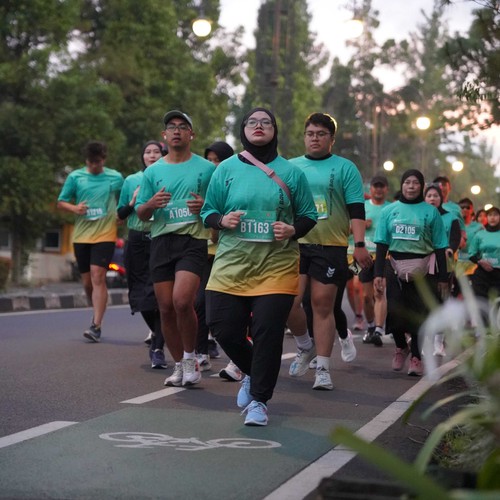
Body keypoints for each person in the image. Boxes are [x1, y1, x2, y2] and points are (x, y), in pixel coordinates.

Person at [201, 107, 317, 426]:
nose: (259, 126)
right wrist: (222, 220)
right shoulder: (225, 169)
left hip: (276, 266)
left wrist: (292, 229)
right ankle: (252, 372)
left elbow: (308, 216)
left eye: (266, 122)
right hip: (231, 264)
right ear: (243, 130)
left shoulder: (291, 173)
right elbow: (208, 211)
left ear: (274, 130)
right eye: (252, 122)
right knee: (221, 326)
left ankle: (259, 401)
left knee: (267, 332)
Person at [286, 112, 372, 391]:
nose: (315, 138)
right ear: (304, 137)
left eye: (321, 134)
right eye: (310, 134)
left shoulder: (345, 168)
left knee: (322, 305)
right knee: (288, 302)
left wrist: (359, 245)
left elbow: (356, 209)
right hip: (295, 244)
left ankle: (322, 369)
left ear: (331, 139)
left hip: (331, 245)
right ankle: (305, 345)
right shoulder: (290, 167)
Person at [136, 110, 215, 387]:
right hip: (161, 242)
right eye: (172, 127)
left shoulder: (207, 169)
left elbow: (220, 204)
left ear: (191, 134)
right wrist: (151, 204)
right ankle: (180, 364)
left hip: (192, 241)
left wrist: (205, 205)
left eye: (183, 127)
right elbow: (141, 213)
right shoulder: (153, 172)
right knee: (166, 308)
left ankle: (192, 359)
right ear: (164, 135)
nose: (177, 131)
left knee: (182, 301)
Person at [374, 169, 449, 376]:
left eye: (415, 183)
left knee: (417, 314)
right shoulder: (389, 211)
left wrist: (443, 277)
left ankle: (416, 357)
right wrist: (378, 274)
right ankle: (401, 346)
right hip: (394, 266)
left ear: (422, 186)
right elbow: (381, 244)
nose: (411, 186)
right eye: (407, 182)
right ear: (402, 185)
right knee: (394, 311)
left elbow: (440, 246)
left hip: (423, 269)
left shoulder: (431, 212)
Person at [57, 141, 124, 342]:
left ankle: (96, 325)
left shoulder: (115, 177)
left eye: (98, 162)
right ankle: (96, 309)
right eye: (91, 162)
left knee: (98, 276)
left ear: (104, 159)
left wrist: (121, 214)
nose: (94, 165)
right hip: (81, 236)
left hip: (105, 234)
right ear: (86, 160)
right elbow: (61, 202)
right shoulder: (75, 177)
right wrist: (75, 209)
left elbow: (124, 198)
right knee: (87, 283)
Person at [117, 140, 167, 369]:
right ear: (142, 157)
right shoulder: (131, 180)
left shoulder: (168, 177)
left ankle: (158, 347)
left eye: (157, 152)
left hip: (161, 238)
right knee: (141, 297)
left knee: (162, 296)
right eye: (148, 152)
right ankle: (157, 335)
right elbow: (120, 215)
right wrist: (133, 202)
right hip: (137, 240)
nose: (152, 155)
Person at [194, 141, 235, 373]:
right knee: (199, 302)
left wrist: (211, 214)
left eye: (217, 160)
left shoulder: (234, 185)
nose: (212, 165)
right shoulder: (200, 186)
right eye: (209, 160)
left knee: (230, 308)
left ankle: (237, 359)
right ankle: (201, 353)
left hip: (230, 254)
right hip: (204, 252)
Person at [424, 183, 461, 356]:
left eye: (435, 196)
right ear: (424, 198)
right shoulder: (420, 215)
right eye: (429, 195)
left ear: (441, 198)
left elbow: (455, 238)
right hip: (424, 263)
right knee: (425, 300)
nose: (432, 199)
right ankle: (425, 341)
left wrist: (450, 249)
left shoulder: (451, 217)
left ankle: (439, 342)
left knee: (442, 300)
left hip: (444, 263)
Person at [361, 174, 391, 346]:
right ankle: (371, 326)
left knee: (379, 292)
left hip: (384, 256)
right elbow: (349, 228)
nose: (378, 189)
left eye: (382, 186)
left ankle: (379, 330)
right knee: (366, 296)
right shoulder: (363, 207)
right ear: (370, 188)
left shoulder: (391, 209)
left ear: (386, 189)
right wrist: (361, 225)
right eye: (376, 186)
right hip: (365, 255)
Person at [469, 206, 500, 300]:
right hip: (482, 274)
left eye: (495, 215)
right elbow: (471, 254)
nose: (492, 218)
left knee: (496, 303)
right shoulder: (480, 234)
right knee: (480, 302)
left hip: (498, 275)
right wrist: (480, 261)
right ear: (487, 217)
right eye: (490, 215)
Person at [456, 198, 484, 280]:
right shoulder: (453, 225)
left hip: (474, 265)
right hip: (457, 265)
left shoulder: (479, 227)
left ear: (472, 210)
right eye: (462, 207)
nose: (465, 209)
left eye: (468, 207)